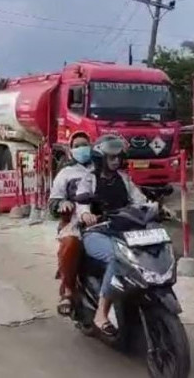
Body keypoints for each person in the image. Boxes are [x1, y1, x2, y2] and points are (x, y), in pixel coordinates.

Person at [74, 134, 149, 336]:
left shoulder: (124, 179)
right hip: (96, 232)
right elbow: (81, 204)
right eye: (111, 157)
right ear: (101, 159)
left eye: (118, 157)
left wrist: (155, 209)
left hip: (124, 232)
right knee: (118, 258)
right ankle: (101, 314)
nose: (116, 161)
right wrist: (87, 214)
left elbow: (139, 200)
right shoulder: (89, 179)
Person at [48, 134, 93, 316]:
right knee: (71, 243)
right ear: (71, 150)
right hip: (74, 222)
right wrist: (61, 205)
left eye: (85, 144)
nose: (82, 148)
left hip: (101, 219)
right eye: (77, 145)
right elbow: (53, 201)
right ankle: (67, 290)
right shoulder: (65, 173)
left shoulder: (99, 169)